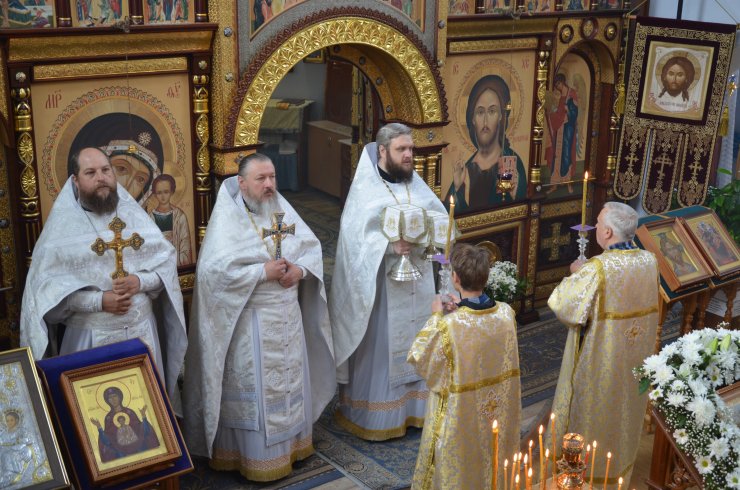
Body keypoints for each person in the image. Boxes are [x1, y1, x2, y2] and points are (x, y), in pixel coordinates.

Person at [183, 153, 335, 482]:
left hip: (288, 318)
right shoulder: (228, 219)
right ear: (242, 183)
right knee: (259, 391)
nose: (269, 185)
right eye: (261, 179)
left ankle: (293, 447)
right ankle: (252, 458)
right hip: (251, 322)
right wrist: (261, 272)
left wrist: (299, 270)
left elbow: (310, 247)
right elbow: (212, 274)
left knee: (289, 383)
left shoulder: (282, 210)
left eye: (272, 177)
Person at [20, 147, 187, 404]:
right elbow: (44, 299)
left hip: (142, 338)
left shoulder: (135, 218)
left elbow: (165, 267)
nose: (101, 177)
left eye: (106, 170)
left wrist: (139, 281)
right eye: (91, 172)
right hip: (90, 342)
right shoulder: (60, 232)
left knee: (149, 412)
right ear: (75, 181)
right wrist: (98, 301)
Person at [329, 123, 448, 440]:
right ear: (383, 151)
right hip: (382, 288)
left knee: (419, 339)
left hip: (420, 279)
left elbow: (438, 219)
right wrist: (388, 245)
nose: (409, 155)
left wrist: (432, 236)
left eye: (411, 149)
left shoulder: (415, 184)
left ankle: (417, 411)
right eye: (401, 149)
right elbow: (354, 241)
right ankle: (378, 417)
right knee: (383, 347)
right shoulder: (366, 190)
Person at [547, 202, 658, 489]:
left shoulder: (598, 268)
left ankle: (582, 476)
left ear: (607, 232)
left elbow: (564, 306)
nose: (595, 227)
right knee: (624, 412)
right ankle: (618, 470)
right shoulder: (649, 261)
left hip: (600, 362)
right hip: (634, 361)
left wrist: (575, 273)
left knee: (593, 412)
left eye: (598, 223)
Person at [408, 243, 520, 489]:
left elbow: (420, 358)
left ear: (455, 278)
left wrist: (436, 316)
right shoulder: (506, 314)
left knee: (461, 462)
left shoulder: (450, 325)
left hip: (460, 413)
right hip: (496, 408)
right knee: (490, 457)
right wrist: (461, 309)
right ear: (486, 276)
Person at [446, 75, 527, 213]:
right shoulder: (466, 169)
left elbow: (518, 208)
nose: (485, 122)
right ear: (472, 119)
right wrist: (458, 188)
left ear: (501, 116)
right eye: (480, 112)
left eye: (492, 111)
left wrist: (515, 195)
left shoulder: (509, 163)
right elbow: (450, 214)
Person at [90, 386, 159, 463]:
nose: (113, 399)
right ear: (107, 401)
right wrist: (99, 427)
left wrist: (143, 417)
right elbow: (107, 440)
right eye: (110, 398)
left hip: (138, 446)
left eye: (115, 396)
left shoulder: (130, 412)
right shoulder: (108, 418)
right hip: (120, 451)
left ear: (120, 397)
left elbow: (142, 430)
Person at [148, 174, 193, 267]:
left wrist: (181, 263)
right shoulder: (150, 218)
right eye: (159, 193)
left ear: (172, 192)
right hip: (158, 263)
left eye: (166, 192)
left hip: (176, 262)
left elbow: (185, 243)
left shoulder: (179, 216)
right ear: (155, 194)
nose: (163, 196)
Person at [545, 73, 579, 192]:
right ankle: (554, 184)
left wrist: (568, 110)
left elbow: (574, 114)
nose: (557, 87)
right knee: (557, 154)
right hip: (559, 129)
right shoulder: (561, 97)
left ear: (562, 82)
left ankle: (568, 183)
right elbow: (558, 112)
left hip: (568, 129)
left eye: (558, 84)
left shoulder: (572, 93)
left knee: (566, 155)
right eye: (556, 86)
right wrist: (550, 114)